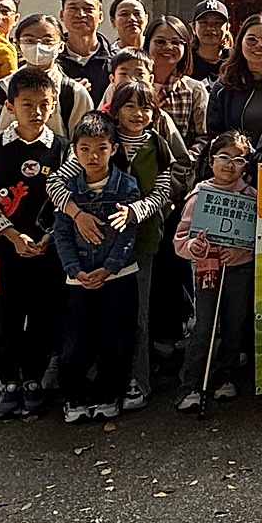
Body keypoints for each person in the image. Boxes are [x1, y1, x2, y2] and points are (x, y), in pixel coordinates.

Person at [59, 79, 191, 411]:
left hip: (141, 244)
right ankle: (94, 385)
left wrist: (134, 212)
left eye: (145, 107)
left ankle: (137, 381)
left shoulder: (158, 145)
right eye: (129, 106)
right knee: (92, 318)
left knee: (137, 317)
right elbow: (56, 183)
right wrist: (76, 214)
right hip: (92, 244)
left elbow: (161, 193)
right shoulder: (101, 140)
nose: (137, 113)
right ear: (115, 110)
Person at [0, 66, 67, 420]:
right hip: (2, 252)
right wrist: (11, 235)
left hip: (46, 252)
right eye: (27, 104)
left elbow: (69, 200)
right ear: (10, 106)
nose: (36, 112)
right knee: (4, 317)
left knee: (42, 317)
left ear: (53, 106)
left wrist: (49, 236)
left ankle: (34, 379)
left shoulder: (62, 150)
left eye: (44, 104)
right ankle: (8, 381)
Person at [51, 114, 142, 423]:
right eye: (85, 149)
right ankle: (74, 398)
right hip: (78, 279)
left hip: (119, 276)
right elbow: (61, 232)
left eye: (101, 148)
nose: (93, 156)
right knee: (75, 340)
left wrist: (110, 267)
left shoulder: (126, 186)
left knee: (116, 338)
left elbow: (128, 233)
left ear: (113, 149)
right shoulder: (69, 191)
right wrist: (74, 269)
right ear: (74, 151)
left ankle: (108, 394)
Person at [173, 130, 257, 410]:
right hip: (206, 270)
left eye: (238, 160)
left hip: (240, 269)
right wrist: (194, 248)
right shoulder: (199, 196)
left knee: (235, 325)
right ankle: (190, 385)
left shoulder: (252, 197)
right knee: (204, 327)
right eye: (223, 157)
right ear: (211, 161)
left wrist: (244, 251)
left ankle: (225, 377)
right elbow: (180, 239)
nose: (230, 165)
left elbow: (259, 236)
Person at [0, 13, 96, 139]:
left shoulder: (74, 93)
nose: (38, 46)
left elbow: (85, 142)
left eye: (47, 41)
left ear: (61, 46)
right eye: (29, 40)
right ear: (17, 45)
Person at [205, 13, 262, 143]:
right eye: (251, 39)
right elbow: (214, 135)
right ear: (240, 44)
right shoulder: (224, 88)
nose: (259, 45)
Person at [146, 15, 209, 148]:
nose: (168, 47)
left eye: (176, 42)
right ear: (148, 43)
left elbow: (204, 137)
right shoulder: (130, 84)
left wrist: (186, 159)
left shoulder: (194, 90)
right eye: (160, 42)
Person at [58, 0, 115, 101]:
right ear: (62, 15)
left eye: (88, 9)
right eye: (73, 8)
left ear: (100, 16)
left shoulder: (115, 60)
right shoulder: (52, 60)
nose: (80, 14)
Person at [189, 0, 233, 81]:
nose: (210, 28)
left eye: (218, 23)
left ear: (227, 28)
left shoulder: (235, 61)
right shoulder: (185, 60)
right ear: (193, 27)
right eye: (204, 22)